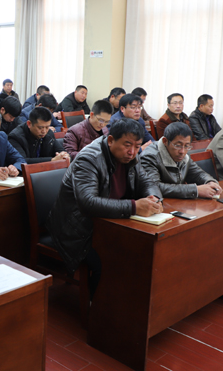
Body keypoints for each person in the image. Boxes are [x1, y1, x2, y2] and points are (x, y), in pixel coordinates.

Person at [46, 119, 162, 297]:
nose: (132, 152)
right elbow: (88, 203)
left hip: (109, 222)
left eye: (137, 146)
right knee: (113, 259)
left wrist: (154, 198)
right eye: (127, 145)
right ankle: (98, 306)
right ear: (111, 140)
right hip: (77, 229)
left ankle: (128, 302)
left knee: (143, 250)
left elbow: (147, 181)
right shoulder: (89, 158)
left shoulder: (130, 156)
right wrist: (134, 206)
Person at [141, 122, 222, 199]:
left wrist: (210, 181)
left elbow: (197, 173)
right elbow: (154, 186)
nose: (182, 151)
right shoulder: (149, 156)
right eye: (177, 145)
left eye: (187, 146)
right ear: (165, 141)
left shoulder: (183, 155)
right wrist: (195, 190)